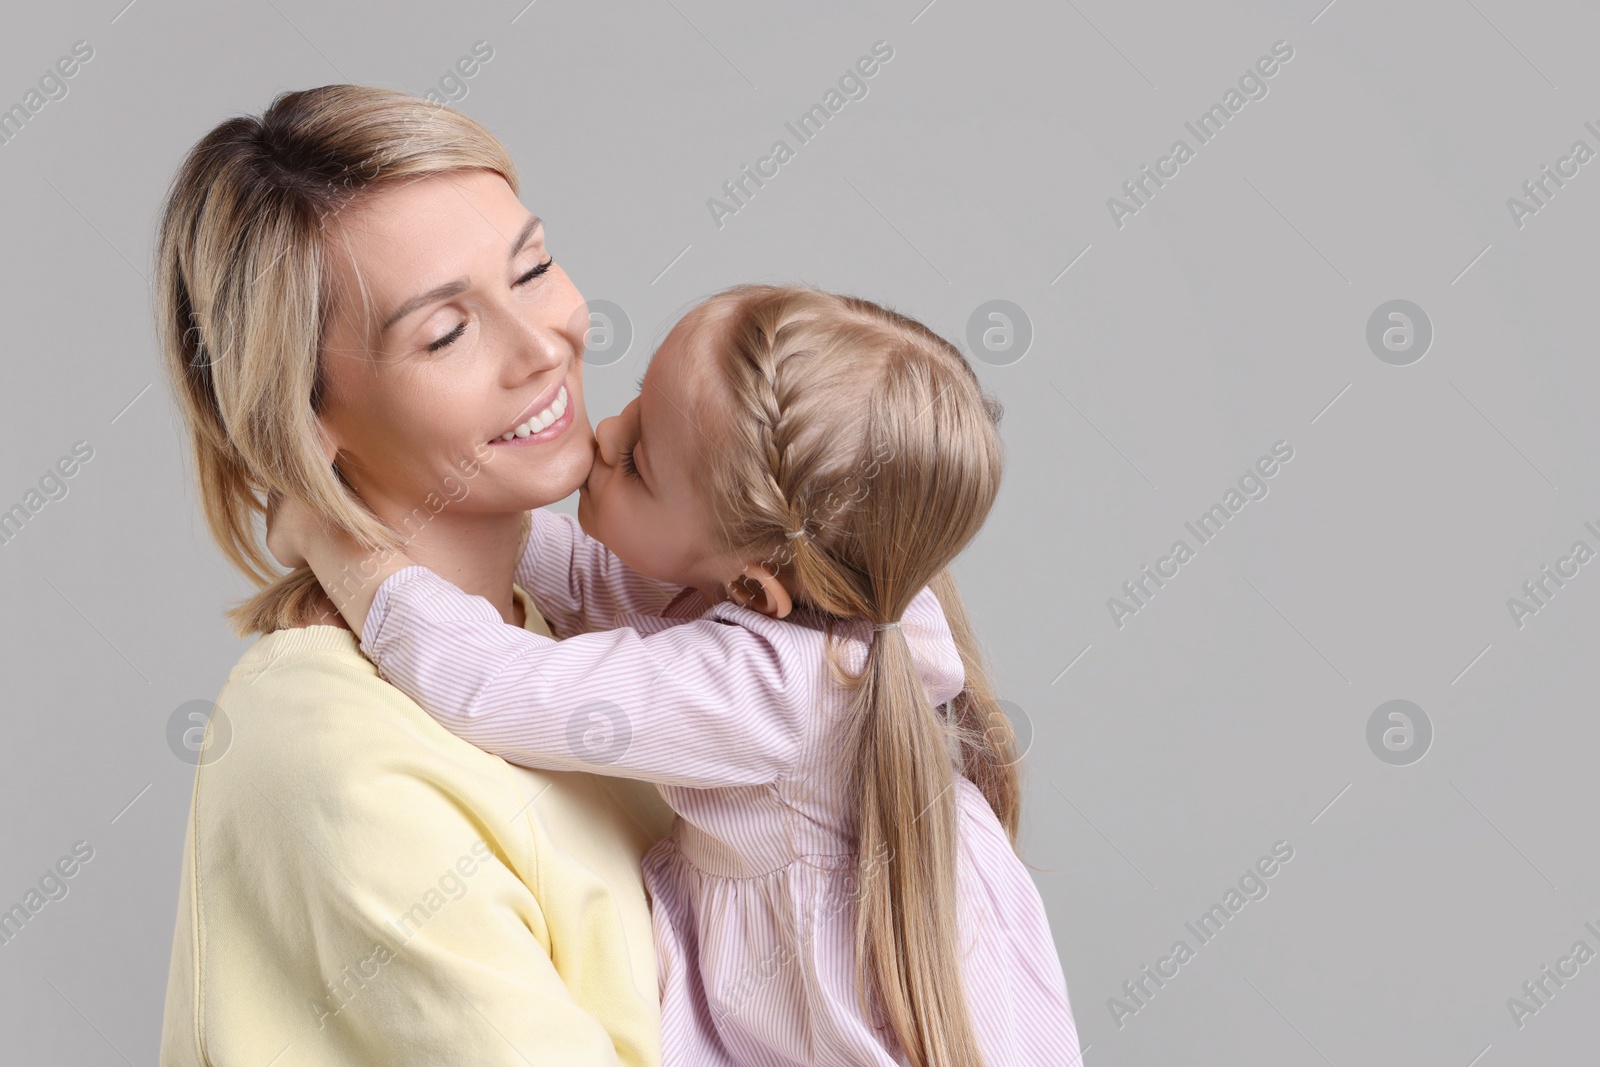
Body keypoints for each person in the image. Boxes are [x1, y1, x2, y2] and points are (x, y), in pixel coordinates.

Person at [272, 285, 1083, 1066]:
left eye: (639, 462)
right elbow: (596, 582)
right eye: (633, 402)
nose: (606, 434)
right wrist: (434, 504)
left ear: (753, 589)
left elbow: (498, 686)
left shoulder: (763, 690)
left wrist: (341, 544)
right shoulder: (826, 597)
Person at [154, 85, 677, 1065]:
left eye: (531, 268)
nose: (542, 346)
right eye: (444, 332)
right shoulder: (336, 754)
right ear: (307, 420)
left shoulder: (572, 627)